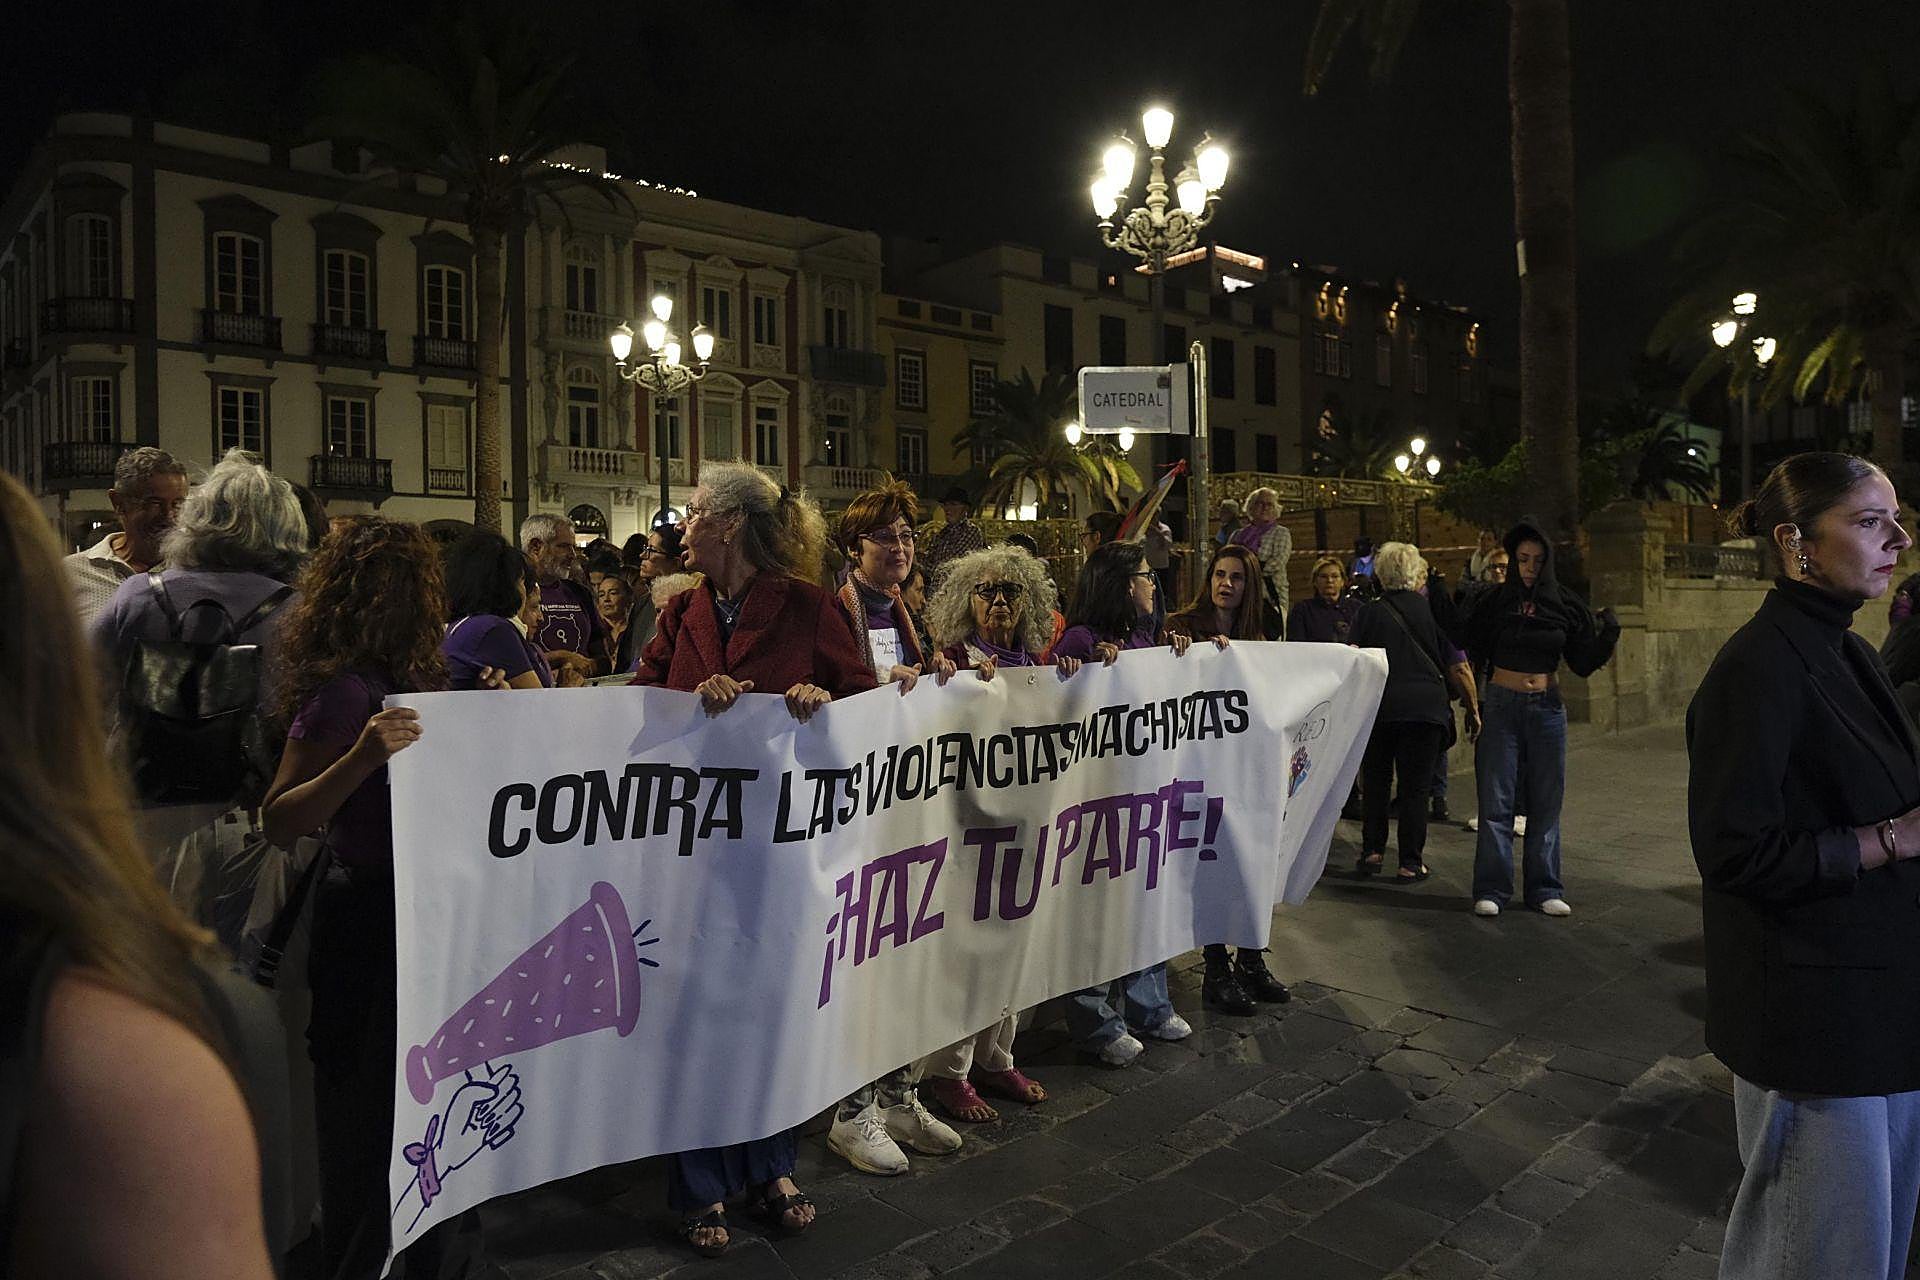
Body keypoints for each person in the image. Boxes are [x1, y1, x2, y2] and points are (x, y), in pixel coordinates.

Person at [0, 469, 277, 1280]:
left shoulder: (131, 602)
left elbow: (88, 693)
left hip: (148, 813)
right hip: (240, 820)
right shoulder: (119, 1054)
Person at [1686, 452, 1920, 1280]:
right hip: (1816, 1025)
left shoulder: (1848, 649)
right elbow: (1731, 849)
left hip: (1881, 1008)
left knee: (1873, 1247)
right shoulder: (1758, 665)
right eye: (1868, 521)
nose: (1897, 538)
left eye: (1896, 518)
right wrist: (1891, 838)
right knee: (1817, 1251)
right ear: (1796, 544)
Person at [629, 463, 874, 1253]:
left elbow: (866, 700)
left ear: (731, 524)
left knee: (772, 1007)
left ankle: (772, 1166)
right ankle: (699, 1183)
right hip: (694, 851)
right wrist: (685, 704)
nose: (684, 525)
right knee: (696, 1013)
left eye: (696, 513)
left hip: (779, 851)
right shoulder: (682, 611)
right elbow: (640, 701)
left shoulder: (807, 606)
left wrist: (821, 703)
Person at [261, 516, 490, 1280]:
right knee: (365, 1116)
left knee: (418, 1108)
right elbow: (282, 816)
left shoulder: (417, 676)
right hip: (365, 922)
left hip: (421, 918)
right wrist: (361, 757)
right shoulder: (340, 694)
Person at [90, 449, 310, 887]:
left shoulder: (138, 594)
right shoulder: (298, 611)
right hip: (251, 817)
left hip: (142, 811)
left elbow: (75, 688)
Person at [825, 479, 962, 1175]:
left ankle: (899, 1091)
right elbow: (838, 696)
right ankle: (852, 1111)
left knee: (910, 954)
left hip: (906, 808)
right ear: (855, 550)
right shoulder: (834, 612)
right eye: (889, 538)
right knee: (865, 963)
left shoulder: (908, 612)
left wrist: (939, 671)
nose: (903, 548)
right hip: (861, 817)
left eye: (910, 537)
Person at [914, 544, 1078, 1123]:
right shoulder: (949, 658)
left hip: (1022, 824)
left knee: (1015, 942)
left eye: (1012, 591)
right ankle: (951, 1071)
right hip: (967, 828)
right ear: (966, 598)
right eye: (987, 591)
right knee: (970, 949)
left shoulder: (1037, 662)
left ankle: (997, 1055)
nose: (1001, 601)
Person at [1053, 541, 1201, 1065]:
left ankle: (1149, 1005)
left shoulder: (1147, 637)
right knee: (1099, 910)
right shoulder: (1081, 638)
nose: (1152, 585)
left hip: (1147, 795)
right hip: (1099, 799)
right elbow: (1054, 702)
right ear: (1118, 584)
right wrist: (1081, 668)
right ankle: (1095, 1020)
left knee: (1147, 901)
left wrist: (1188, 658)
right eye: (1144, 575)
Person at [1454, 518, 1618, 917]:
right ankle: (1492, 887)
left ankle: (1544, 887)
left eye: (1536, 560)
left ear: (1547, 563)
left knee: (1546, 800)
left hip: (1546, 707)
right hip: (1502, 704)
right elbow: (1465, 639)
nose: (1529, 567)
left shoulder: (1561, 602)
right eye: (1522, 559)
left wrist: (1609, 634)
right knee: (1497, 799)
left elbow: (1581, 661)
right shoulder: (1495, 601)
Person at [1164, 544, 1293, 1014]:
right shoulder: (1183, 624)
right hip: (1202, 766)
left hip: (1250, 767)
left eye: (1236, 577)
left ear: (1249, 584)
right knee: (1213, 864)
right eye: (1219, 574)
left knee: (1253, 864)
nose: (1225, 584)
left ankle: (1252, 959)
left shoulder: (1264, 627)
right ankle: (1216, 969)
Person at [1352, 543, 1481, 882]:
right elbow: (1459, 665)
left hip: (1378, 709)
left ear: (1380, 573)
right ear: (1416, 573)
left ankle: (1372, 851)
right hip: (1425, 710)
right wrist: (1473, 706)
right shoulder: (1433, 611)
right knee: (1415, 789)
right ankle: (1410, 862)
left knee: (1376, 785)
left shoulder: (1369, 612)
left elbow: (1352, 660)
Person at [65, 445, 190, 625]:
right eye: (154, 503)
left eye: (177, 504)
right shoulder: (70, 574)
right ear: (118, 502)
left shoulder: (195, 571)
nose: (169, 516)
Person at [441, 531, 551, 690]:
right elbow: (537, 702)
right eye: (521, 581)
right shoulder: (494, 630)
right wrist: (569, 688)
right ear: (507, 584)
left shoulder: (462, 627)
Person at [519, 513, 607, 681]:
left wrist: (586, 667)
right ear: (536, 547)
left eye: (573, 547)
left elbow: (602, 657)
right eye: (564, 546)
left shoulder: (580, 593)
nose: (573, 555)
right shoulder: (514, 596)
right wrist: (560, 658)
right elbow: (510, 658)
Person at [1230, 486, 1293, 634]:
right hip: (1241, 597)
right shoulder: (1238, 535)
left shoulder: (1281, 533)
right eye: (1260, 503)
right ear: (1251, 507)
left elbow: (1277, 562)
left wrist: (1247, 571)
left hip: (1270, 596)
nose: (1265, 508)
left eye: (1269, 504)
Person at [919, 484, 987, 585]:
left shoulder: (971, 532)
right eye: (945, 504)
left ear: (965, 509)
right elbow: (930, 563)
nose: (947, 508)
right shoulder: (942, 533)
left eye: (953, 504)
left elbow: (953, 566)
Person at [1287, 555, 1361, 643]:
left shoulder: (1357, 608)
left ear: (1343, 581)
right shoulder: (1302, 610)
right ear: (1315, 581)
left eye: (1335, 576)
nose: (1329, 580)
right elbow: (1296, 644)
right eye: (1323, 576)